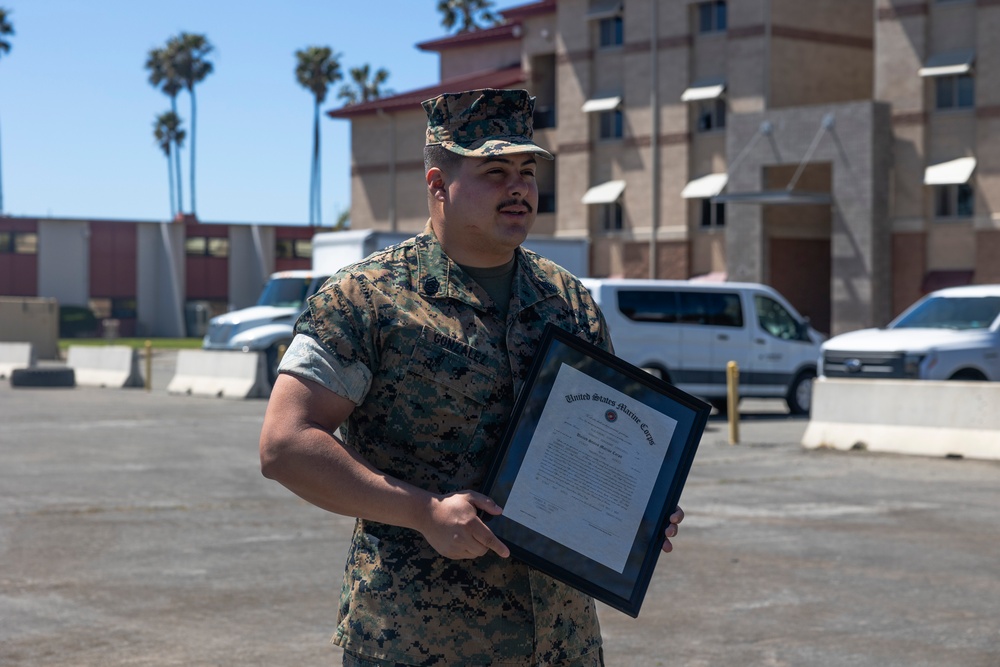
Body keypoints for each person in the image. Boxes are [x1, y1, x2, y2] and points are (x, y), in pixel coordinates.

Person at [259, 88, 684, 667]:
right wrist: (422, 511)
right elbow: (286, 444)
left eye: (527, 171)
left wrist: (640, 505)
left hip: (560, 643)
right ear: (437, 184)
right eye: (494, 171)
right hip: (419, 641)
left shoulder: (567, 301)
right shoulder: (367, 299)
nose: (518, 188)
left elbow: (605, 438)